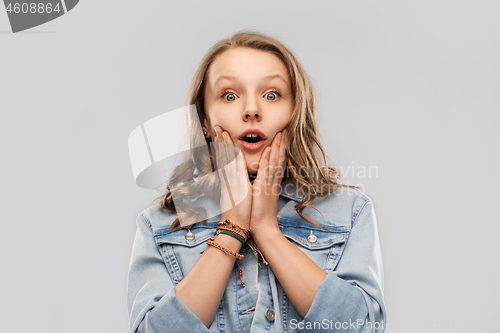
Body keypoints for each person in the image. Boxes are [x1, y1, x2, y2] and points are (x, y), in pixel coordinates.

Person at [127, 30, 386, 333]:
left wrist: (266, 230)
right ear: (205, 122)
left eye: (271, 95)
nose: (251, 110)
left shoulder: (350, 212)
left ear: (294, 113)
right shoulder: (157, 226)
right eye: (230, 95)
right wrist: (232, 229)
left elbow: (361, 328)